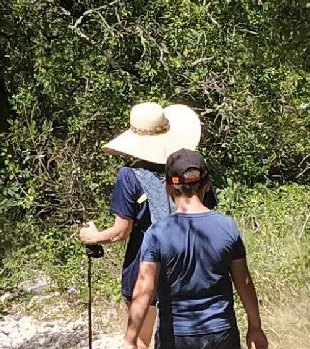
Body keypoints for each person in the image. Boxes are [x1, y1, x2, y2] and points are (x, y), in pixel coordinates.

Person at [78, 102, 207, 349]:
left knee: (137, 340)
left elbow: (120, 232)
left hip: (143, 264)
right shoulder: (191, 170)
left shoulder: (129, 176)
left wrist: (93, 237)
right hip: (188, 261)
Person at [126, 149, 268, 349]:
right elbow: (243, 283)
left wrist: (130, 339)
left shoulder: (157, 233)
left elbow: (145, 290)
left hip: (176, 336)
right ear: (207, 184)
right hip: (221, 333)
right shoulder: (227, 227)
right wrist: (255, 327)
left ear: (167, 187)